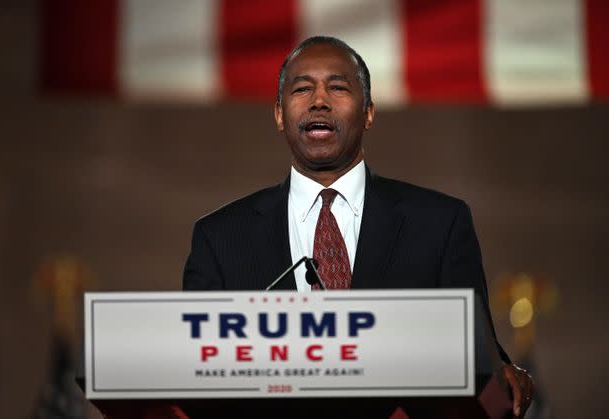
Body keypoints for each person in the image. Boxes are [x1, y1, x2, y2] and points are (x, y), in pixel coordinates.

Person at [183, 36, 534, 418]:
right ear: (279, 114)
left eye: (337, 87)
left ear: (368, 112)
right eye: (302, 88)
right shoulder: (219, 237)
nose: (319, 100)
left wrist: (504, 372)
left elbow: (475, 348)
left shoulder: (439, 223)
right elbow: (197, 369)